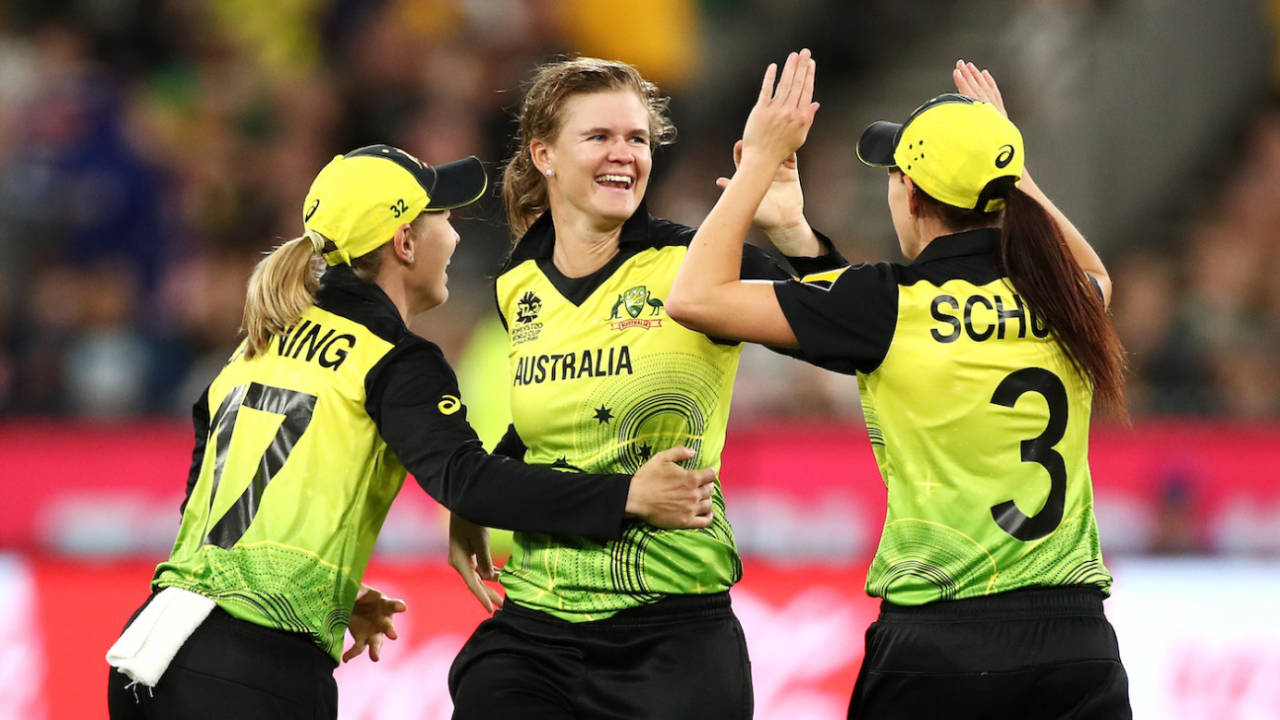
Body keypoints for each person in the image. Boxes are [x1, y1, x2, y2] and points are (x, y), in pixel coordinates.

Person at [105, 144, 721, 720]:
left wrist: (329, 593)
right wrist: (626, 498)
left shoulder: (257, 344)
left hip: (152, 648)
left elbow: (213, 509)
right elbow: (468, 482)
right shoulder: (392, 356)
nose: (454, 235)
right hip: (253, 672)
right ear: (405, 241)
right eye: (444, 218)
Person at [667, 52, 1132, 719]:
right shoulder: (1067, 299)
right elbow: (1094, 274)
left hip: (942, 646)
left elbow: (696, 296)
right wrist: (1010, 168)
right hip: (1076, 646)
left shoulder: (890, 303)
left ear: (910, 195)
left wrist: (757, 167)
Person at [445, 57, 845, 719]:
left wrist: (795, 235)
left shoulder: (696, 262)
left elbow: (844, 333)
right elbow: (550, 418)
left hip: (672, 634)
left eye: (636, 139)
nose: (623, 154)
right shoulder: (519, 283)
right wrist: (476, 502)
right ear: (543, 155)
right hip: (539, 626)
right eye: (599, 137)